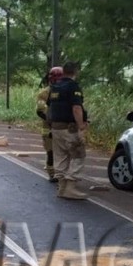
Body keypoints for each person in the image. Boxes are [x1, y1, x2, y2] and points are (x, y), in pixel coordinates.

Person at [46, 61, 88, 200]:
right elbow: (76, 108)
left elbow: (49, 107)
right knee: (78, 156)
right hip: (70, 129)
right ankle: (70, 187)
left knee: (61, 157)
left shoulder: (55, 87)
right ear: (76, 72)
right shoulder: (72, 86)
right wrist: (81, 126)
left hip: (56, 128)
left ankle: (62, 188)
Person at [36, 67, 64, 182]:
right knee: (51, 153)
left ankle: (61, 174)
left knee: (62, 153)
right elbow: (40, 111)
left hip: (63, 128)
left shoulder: (65, 91)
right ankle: (52, 173)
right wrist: (52, 122)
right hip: (49, 130)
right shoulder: (44, 93)